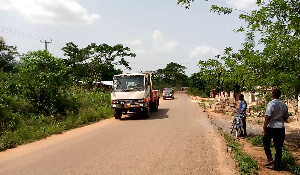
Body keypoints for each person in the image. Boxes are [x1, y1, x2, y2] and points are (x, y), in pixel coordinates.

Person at [263, 89, 289, 171]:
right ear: (279, 95)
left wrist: (264, 128)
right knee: (279, 147)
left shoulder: (271, 104)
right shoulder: (284, 105)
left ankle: (270, 160)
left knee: (266, 142)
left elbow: (268, 117)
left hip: (271, 127)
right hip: (280, 128)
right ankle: (277, 164)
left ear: (272, 94)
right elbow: (286, 117)